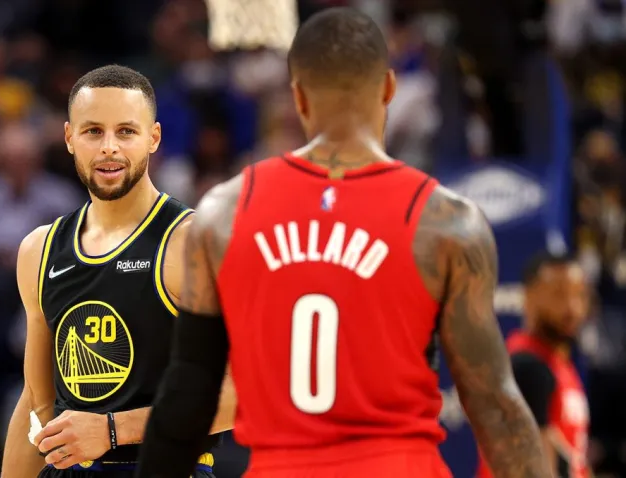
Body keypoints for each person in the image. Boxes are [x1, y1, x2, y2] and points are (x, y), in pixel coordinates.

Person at [135, 7, 550, 478]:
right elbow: (494, 404)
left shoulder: (221, 214)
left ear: (298, 97)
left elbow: (188, 391)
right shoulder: (447, 220)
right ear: (390, 89)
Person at [0, 65, 236, 478]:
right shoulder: (38, 250)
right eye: (93, 131)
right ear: (70, 137)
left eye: (126, 131)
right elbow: (36, 407)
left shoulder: (195, 241)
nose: (109, 147)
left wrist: (111, 431)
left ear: (154, 138)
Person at [478, 252, 590, 478]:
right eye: (558, 295)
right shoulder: (527, 366)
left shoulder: (558, 364)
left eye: (579, 295)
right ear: (528, 298)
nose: (572, 307)